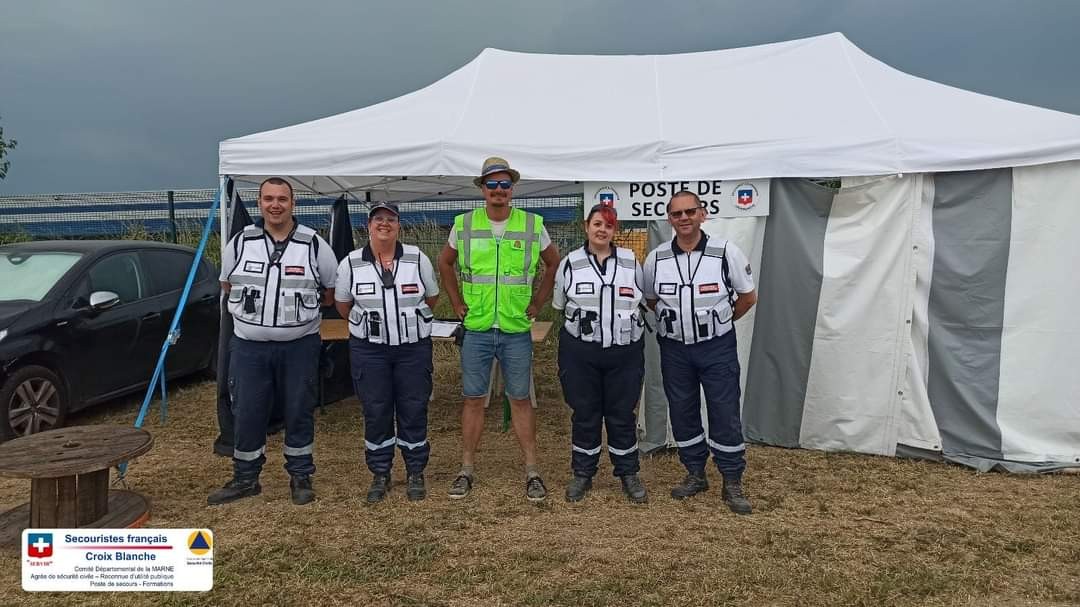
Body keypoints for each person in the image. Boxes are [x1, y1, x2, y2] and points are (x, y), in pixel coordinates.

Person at [208, 177, 338, 506]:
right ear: (260, 203)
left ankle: (300, 476)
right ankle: (245, 478)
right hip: (249, 348)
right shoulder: (240, 242)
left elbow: (330, 291)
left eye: (282, 198)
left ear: (293, 203)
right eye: (268, 198)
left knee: (298, 409)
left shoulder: (313, 244)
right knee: (248, 411)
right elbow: (227, 286)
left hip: (300, 346)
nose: (275, 204)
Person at [437, 156, 560, 502]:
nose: (498, 190)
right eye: (492, 184)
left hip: (514, 328)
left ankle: (532, 470)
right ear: (482, 189)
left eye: (505, 184)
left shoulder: (532, 224)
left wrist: (538, 304)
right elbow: (445, 262)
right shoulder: (463, 224)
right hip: (476, 327)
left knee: (520, 399)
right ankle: (466, 469)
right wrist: (457, 303)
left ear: (512, 189)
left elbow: (553, 262)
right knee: (473, 399)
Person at [643, 191, 758, 514]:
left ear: (702, 214)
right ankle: (695, 472)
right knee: (682, 409)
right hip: (675, 348)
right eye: (677, 214)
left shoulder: (725, 252)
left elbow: (748, 298)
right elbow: (652, 300)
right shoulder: (657, 258)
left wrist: (718, 322)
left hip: (716, 346)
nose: (684, 218)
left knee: (724, 410)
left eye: (690, 212)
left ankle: (732, 479)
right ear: (669, 219)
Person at [334, 203, 439, 503]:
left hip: (412, 348)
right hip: (370, 351)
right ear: (368, 226)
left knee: (413, 407)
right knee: (376, 409)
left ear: (398, 226)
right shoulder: (351, 263)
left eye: (390, 219)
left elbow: (431, 298)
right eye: (378, 219)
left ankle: (415, 471)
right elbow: (343, 305)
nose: (384, 224)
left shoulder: (417, 257)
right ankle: (380, 473)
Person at [553, 204, 648, 503]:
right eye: (597, 223)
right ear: (587, 226)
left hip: (625, 351)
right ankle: (583, 473)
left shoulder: (632, 262)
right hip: (580, 352)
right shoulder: (569, 263)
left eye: (608, 225)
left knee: (622, 414)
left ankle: (628, 473)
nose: (602, 229)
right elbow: (559, 305)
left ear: (614, 230)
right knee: (585, 413)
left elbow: (644, 299)